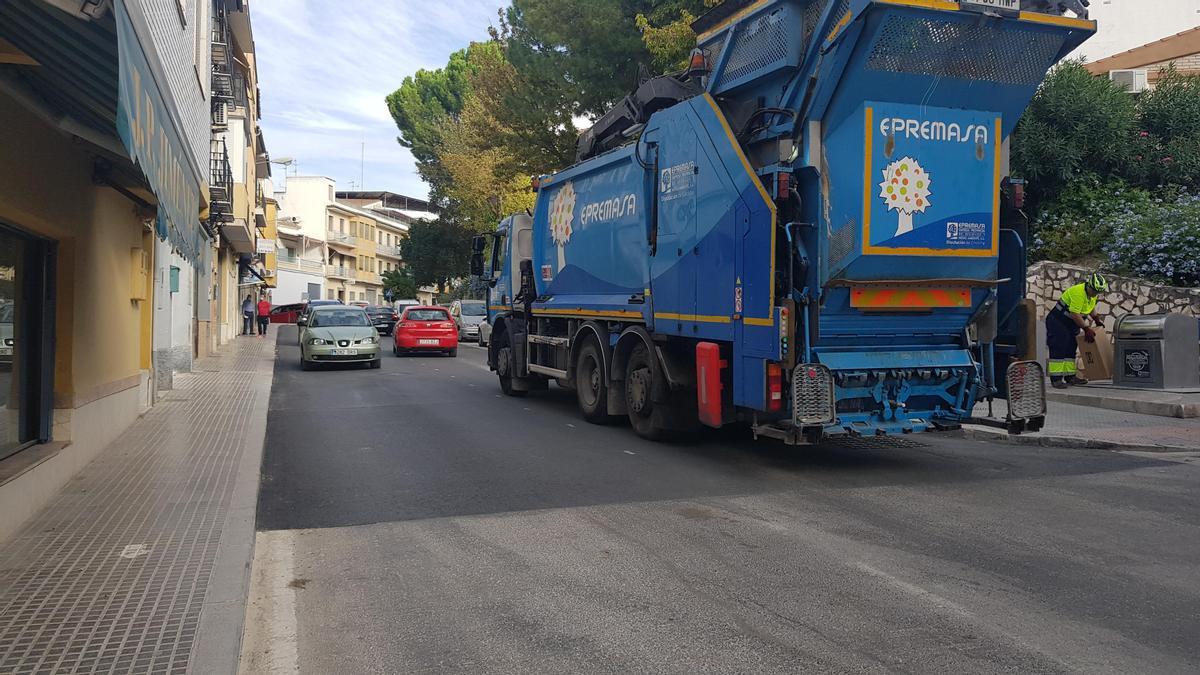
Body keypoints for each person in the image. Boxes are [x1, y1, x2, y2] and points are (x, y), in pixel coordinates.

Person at [1045, 272, 1107, 389]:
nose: (1095, 294)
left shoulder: (1092, 294)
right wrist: (1086, 329)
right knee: (1059, 348)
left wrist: (1096, 319)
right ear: (1089, 285)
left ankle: (1070, 377)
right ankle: (1056, 379)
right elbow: (1075, 314)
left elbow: (1091, 307)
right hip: (1058, 321)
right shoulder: (1078, 292)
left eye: (1098, 292)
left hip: (1071, 323)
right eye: (1094, 291)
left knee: (1070, 349)